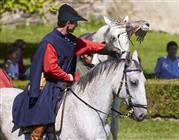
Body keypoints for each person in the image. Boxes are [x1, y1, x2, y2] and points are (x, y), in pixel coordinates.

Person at [12, 4, 120, 140]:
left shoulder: (71, 39)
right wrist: (67, 76)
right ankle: (36, 134)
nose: (77, 25)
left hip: (65, 83)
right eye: (75, 22)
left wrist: (107, 49)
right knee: (44, 109)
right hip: (49, 84)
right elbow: (51, 68)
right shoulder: (50, 42)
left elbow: (88, 45)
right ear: (68, 23)